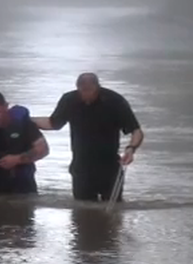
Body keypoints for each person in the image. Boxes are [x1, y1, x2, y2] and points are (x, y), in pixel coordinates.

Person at [32, 72, 144, 202]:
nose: (86, 95)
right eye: (83, 91)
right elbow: (53, 123)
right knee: (82, 211)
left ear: (97, 87)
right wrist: (27, 120)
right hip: (81, 166)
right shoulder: (69, 100)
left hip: (109, 166)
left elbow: (136, 130)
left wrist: (131, 149)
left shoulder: (115, 101)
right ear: (77, 88)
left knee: (113, 210)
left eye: (90, 90)